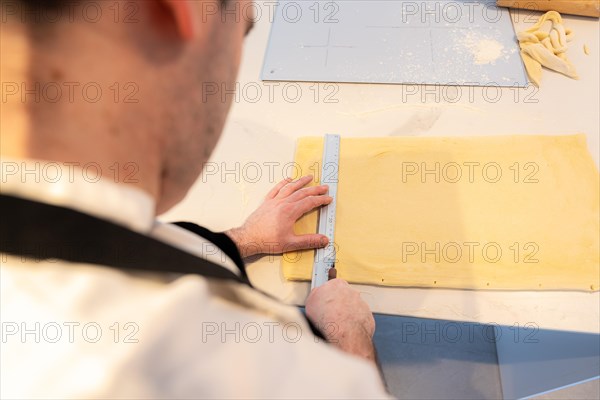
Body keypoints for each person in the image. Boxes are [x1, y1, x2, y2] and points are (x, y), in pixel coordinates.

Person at [0, 1, 391, 398]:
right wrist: (350, 339)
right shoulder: (221, 360)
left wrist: (244, 238)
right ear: (189, 10)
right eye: (243, 30)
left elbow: (106, 243)